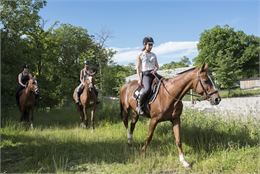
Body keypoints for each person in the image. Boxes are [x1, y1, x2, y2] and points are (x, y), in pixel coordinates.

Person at [136, 36, 159, 115]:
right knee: (147, 89)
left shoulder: (154, 55)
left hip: (154, 73)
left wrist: (155, 70)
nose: (151, 46)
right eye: (149, 44)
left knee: (165, 84)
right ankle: (140, 106)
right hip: (146, 75)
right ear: (144, 44)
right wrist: (139, 79)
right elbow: (138, 68)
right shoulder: (140, 55)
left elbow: (157, 66)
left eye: (152, 45)